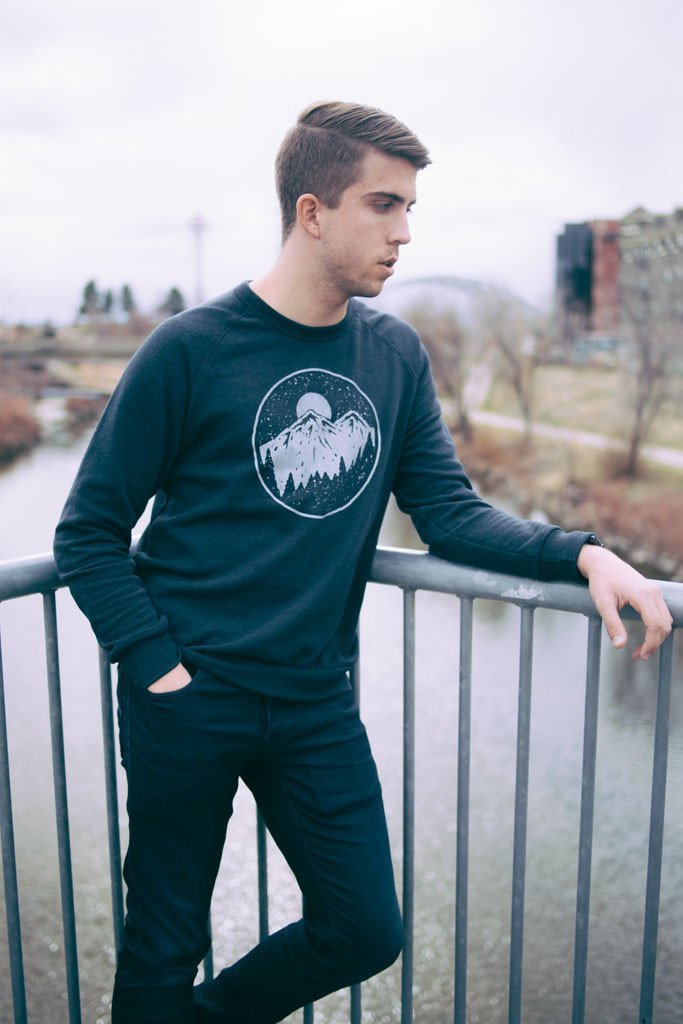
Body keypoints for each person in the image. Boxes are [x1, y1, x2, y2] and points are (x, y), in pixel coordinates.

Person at [53, 101, 672, 1024]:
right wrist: (158, 668)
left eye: (410, 209)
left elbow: (449, 514)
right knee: (162, 943)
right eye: (383, 206)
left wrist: (581, 551)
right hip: (187, 697)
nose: (404, 233)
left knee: (363, 928)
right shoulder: (188, 352)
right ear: (312, 212)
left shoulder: (392, 354)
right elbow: (87, 533)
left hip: (312, 701)